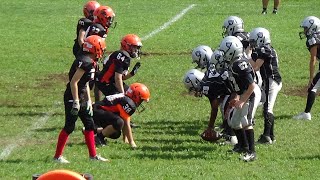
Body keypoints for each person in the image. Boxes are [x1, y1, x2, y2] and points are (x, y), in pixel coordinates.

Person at [53, 35, 108, 163]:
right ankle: (57, 156)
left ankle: (93, 156)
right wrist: (76, 101)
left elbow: (86, 84)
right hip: (73, 96)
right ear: (95, 48)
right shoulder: (86, 62)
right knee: (69, 127)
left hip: (82, 95)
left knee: (90, 125)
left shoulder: (90, 61)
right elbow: (74, 82)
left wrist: (88, 101)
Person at [219, 36, 261, 162]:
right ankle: (242, 145)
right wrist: (236, 97)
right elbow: (238, 85)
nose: (223, 54)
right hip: (243, 93)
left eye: (225, 52)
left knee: (246, 121)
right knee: (234, 122)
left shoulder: (239, 64)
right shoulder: (233, 64)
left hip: (251, 93)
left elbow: (251, 85)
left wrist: (242, 100)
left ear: (232, 51)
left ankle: (252, 152)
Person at [95, 34, 142, 127]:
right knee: (123, 100)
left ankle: (125, 119)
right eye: (134, 47)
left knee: (131, 93)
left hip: (107, 80)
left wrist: (132, 73)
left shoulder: (119, 54)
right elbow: (117, 78)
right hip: (106, 83)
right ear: (126, 46)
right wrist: (122, 94)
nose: (136, 50)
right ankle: (115, 120)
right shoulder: (124, 57)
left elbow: (120, 77)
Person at [249, 27, 282, 144]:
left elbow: (256, 66)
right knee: (266, 107)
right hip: (270, 79)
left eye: (253, 40)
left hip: (271, 79)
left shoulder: (265, 49)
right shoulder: (265, 48)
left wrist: (246, 58)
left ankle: (267, 136)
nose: (252, 43)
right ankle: (270, 135)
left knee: (268, 108)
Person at [93, 83, 150, 148]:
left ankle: (93, 130)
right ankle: (98, 138)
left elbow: (125, 120)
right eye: (141, 100)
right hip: (98, 110)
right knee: (119, 122)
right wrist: (132, 142)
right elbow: (126, 123)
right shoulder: (127, 101)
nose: (140, 103)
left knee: (116, 133)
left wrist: (125, 138)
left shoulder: (125, 98)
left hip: (99, 111)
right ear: (135, 96)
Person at [293, 16, 320, 121]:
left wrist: (311, 78)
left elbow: (313, 59)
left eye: (306, 28)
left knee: (312, 87)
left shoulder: (313, 39)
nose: (304, 31)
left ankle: (306, 114)